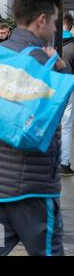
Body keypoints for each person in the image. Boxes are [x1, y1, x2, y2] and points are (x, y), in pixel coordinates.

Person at [0, 0, 66, 256]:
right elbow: (47, 120)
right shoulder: (42, 62)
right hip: (31, 190)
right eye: (55, 21)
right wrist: (61, 72)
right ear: (42, 20)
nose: (56, 29)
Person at [58, 14, 74, 176]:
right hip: (69, 88)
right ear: (70, 26)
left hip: (49, 87)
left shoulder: (48, 43)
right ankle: (64, 162)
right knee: (66, 126)